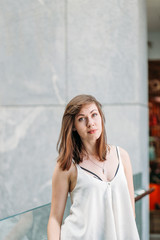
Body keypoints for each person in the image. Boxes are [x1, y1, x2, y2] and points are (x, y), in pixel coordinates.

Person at [47, 94, 140, 240]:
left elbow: (130, 212)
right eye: (81, 119)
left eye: (94, 115)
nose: (90, 123)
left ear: (101, 117)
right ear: (73, 127)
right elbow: (54, 219)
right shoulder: (66, 166)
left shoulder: (122, 156)